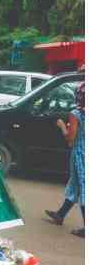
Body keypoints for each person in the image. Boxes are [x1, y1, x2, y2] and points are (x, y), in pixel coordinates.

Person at [46, 83, 85, 238]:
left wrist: (62, 126)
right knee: (75, 185)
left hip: (81, 154)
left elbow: (70, 138)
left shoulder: (76, 114)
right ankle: (60, 214)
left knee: (83, 188)